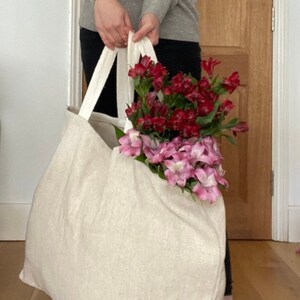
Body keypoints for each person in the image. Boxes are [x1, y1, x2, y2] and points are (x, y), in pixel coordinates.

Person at [79, 1, 233, 298]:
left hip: (171, 29)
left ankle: (205, 288)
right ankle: (117, 284)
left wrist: (155, 9)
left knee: (186, 168)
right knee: (107, 161)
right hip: (102, 27)